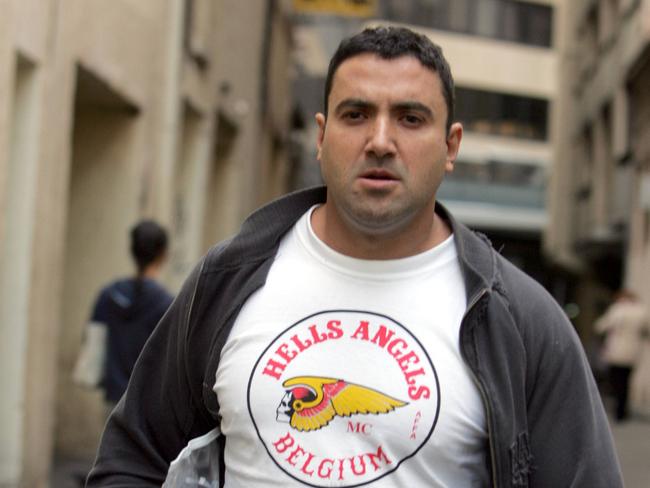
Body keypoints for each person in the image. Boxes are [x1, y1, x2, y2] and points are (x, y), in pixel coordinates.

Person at [87, 27, 623, 487]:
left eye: (411, 118)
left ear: (451, 146)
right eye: (356, 114)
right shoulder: (228, 281)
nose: (380, 141)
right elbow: (132, 456)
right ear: (321, 137)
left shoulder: (519, 320)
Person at [80, 220, 173, 409]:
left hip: (113, 399)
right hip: (147, 404)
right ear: (163, 254)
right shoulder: (166, 303)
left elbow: (92, 339)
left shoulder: (109, 294)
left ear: (132, 251)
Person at [595, 290, 650, 421]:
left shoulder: (617, 310)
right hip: (633, 352)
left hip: (616, 351)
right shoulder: (641, 311)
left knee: (616, 380)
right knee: (625, 381)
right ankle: (623, 410)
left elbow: (601, 326)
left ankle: (618, 411)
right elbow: (647, 331)